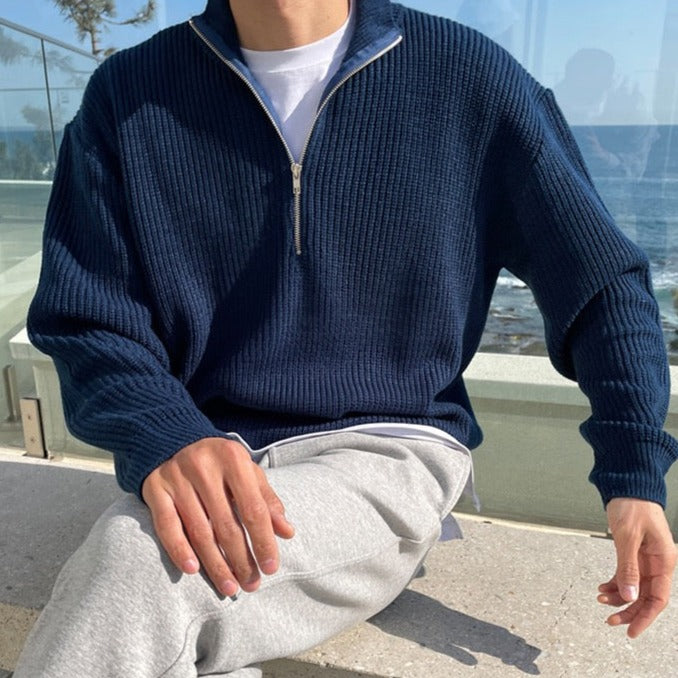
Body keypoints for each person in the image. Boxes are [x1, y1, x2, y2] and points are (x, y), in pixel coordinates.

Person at [13, 1, 678, 676]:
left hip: (386, 451)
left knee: (140, 563)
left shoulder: (467, 76)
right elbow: (88, 318)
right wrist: (165, 432)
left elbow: (600, 283)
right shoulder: (127, 93)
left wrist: (632, 472)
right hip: (201, 450)